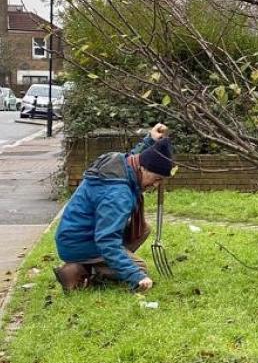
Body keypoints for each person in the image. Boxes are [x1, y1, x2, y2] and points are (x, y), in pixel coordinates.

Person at [54, 123, 174, 293]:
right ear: (142, 168)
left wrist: (150, 140)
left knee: (142, 229)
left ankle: (98, 263)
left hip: (76, 235)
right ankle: (82, 272)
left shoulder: (121, 164)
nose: (155, 185)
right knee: (140, 267)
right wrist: (136, 275)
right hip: (79, 242)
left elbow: (135, 155)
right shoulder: (118, 195)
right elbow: (106, 240)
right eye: (155, 178)